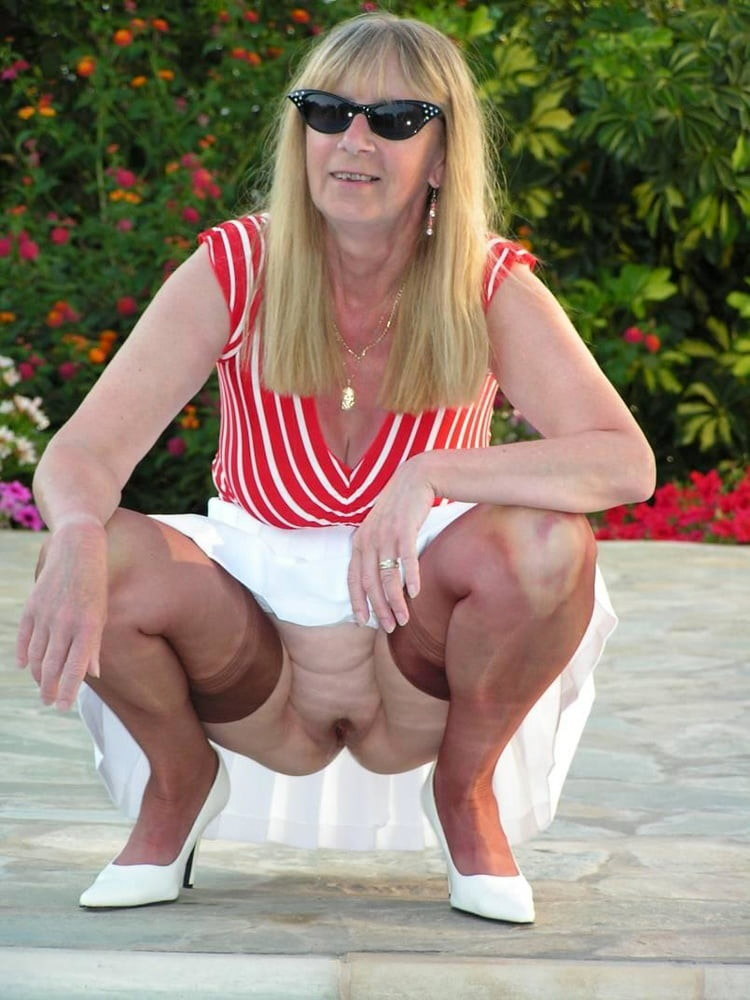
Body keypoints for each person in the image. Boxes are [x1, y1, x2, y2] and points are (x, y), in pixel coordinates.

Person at [16, 13, 654, 922]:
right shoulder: (239, 264)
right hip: (254, 660)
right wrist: (78, 530)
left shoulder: (484, 282)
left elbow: (625, 462)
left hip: (415, 651)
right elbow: (84, 451)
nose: (353, 139)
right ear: (301, 131)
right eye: (327, 111)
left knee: (552, 544)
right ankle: (181, 782)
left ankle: (464, 796)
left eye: (394, 119)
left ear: (442, 155)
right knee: (92, 552)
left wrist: (430, 474)